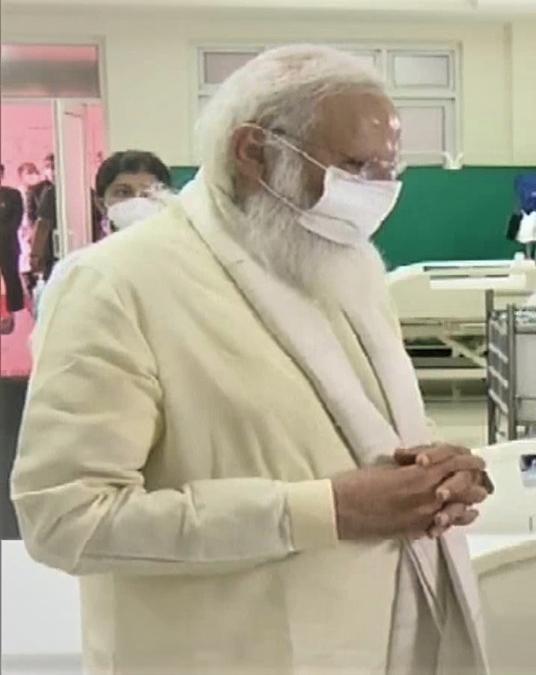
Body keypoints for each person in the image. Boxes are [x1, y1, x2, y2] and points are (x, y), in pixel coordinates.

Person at [12, 45, 492, 674]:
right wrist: (326, 510)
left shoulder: (346, 265)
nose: (376, 192)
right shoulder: (120, 284)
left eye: (387, 168)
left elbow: (357, 431)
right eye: (354, 166)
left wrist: (436, 468)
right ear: (254, 153)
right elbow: (65, 518)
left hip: (379, 643)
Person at [35, 151, 175, 315]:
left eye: (148, 194)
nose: (137, 201)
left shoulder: (184, 264)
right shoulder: (79, 271)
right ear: (101, 204)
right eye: (123, 192)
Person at [0, 164, 26, 326]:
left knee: (10, 275)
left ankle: (14, 308)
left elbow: (15, 221)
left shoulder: (12, 195)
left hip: (7, 244)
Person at [28, 153, 57, 280]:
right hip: (48, 245)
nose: (51, 170)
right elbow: (38, 222)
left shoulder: (81, 190)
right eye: (48, 167)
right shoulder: (40, 191)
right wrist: (36, 253)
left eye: (54, 166)